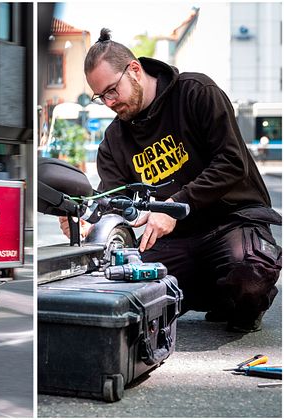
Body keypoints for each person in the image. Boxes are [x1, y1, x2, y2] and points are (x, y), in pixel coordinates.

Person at [63, 28, 282, 333]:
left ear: (135, 70)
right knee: (123, 292)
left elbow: (232, 162)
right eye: (101, 97)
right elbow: (111, 198)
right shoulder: (115, 139)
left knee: (249, 278)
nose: (110, 102)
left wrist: (174, 206)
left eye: (112, 90)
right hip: (176, 241)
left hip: (232, 220)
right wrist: (89, 220)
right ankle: (215, 291)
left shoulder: (196, 91)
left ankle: (237, 295)